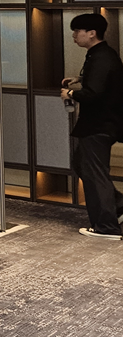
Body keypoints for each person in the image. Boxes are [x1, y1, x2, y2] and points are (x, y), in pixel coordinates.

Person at [61, 13, 123, 240]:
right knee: (82, 163)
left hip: (99, 124)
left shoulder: (101, 58)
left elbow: (94, 94)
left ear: (91, 33)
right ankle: (118, 205)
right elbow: (100, 81)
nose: (74, 36)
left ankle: (107, 226)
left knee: (95, 174)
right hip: (100, 123)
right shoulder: (100, 55)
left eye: (77, 31)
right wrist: (79, 80)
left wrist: (70, 93)